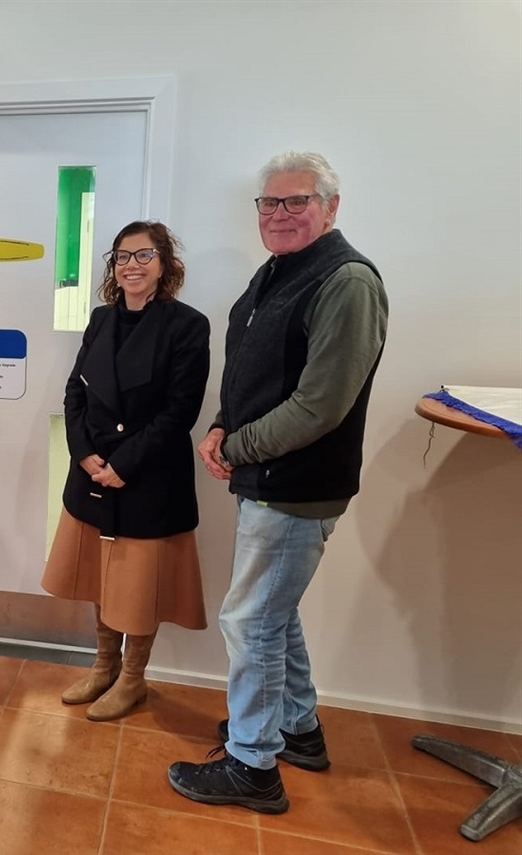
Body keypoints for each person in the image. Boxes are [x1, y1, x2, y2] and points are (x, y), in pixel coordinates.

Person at [168, 152, 389, 814]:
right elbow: (257, 371)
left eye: (298, 201)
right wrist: (218, 426)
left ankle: (252, 763)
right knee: (271, 611)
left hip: (297, 482)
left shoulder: (346, 282)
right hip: (266, 475)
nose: (282, 213)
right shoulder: (280, 272)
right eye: (271, 203)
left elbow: (321, 405)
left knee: (251, 620)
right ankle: (296, 729)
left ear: (332, 205)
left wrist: (233, 445)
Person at [41, 220, 210, 722]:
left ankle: (133, 680)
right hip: (93, 471)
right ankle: (103, 667)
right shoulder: (100, 320)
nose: (131, 266)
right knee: (101, 576)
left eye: (143, 256)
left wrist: (124, 464)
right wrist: (83, 452)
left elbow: (181, 411)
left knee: (137, 584)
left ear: (165, 264)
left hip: (148, 476)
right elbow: (76, 390)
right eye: (121, 257)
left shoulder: (187, 325)